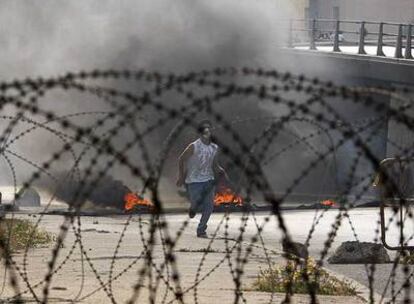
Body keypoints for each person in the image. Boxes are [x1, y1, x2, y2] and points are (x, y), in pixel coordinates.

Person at [176, 120, 227, 238]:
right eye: (205, 131)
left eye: (209, 131)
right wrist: (181, 176)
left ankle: (201, 229)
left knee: (209, 206)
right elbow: (181, 159)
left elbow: (214, 164)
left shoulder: (215, 147)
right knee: (197, 204)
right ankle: (193, 208)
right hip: (194, 181)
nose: (207, 133)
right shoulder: (193, 146)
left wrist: (221, 170)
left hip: (209, 179)